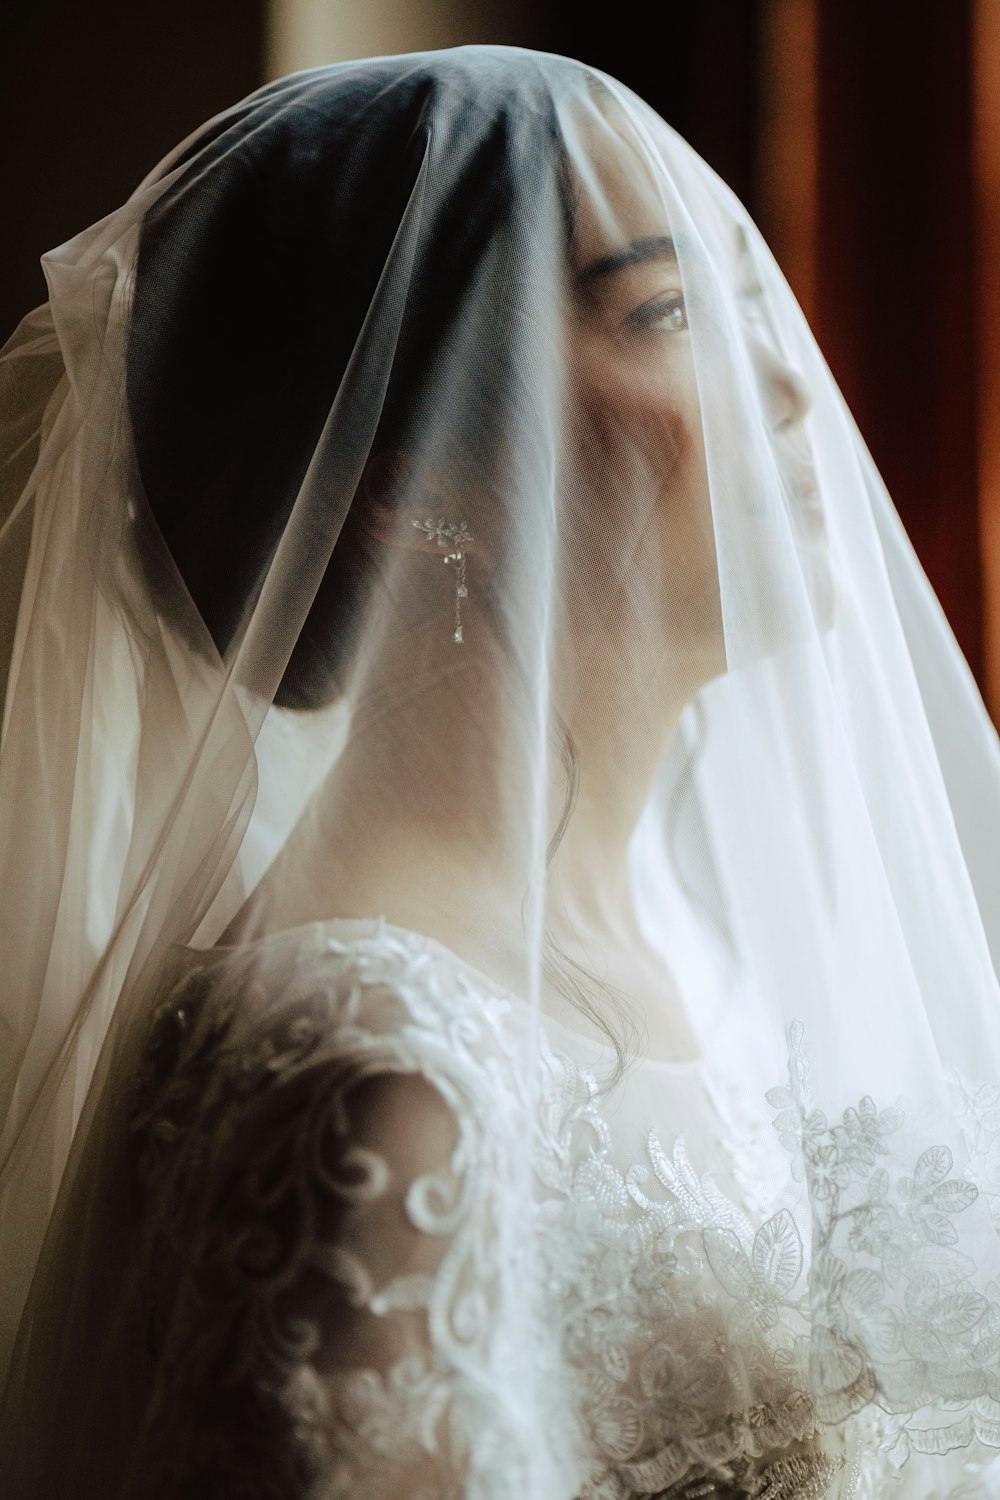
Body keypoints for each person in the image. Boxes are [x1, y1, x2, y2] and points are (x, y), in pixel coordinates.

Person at [0, 43, 999, 1499]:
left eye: (750, 287)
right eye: (670, 309)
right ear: (407, 480)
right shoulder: (368, 1083)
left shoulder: (696, 933)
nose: (791, 375)